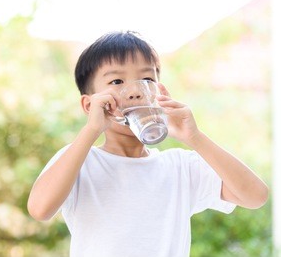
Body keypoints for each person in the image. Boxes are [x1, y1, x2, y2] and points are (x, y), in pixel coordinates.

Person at [27, 30, 268, 257]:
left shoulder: (180, 167)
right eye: (117, 82)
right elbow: (40, 209)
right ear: (90, 105)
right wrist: (91, 130)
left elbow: (255, 196)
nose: (134, 92)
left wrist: (195, 137)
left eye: (146, 79)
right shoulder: (79, 161)